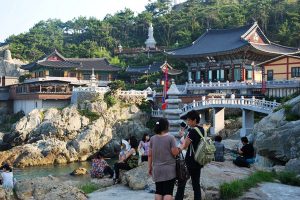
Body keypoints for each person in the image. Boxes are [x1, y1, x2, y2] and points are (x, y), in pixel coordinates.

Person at [148, 118, 180, 200]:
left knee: (158, 191)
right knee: (168, 192)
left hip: (157, 169)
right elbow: (175, 153)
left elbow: (150, 155)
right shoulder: (171, 138)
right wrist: (179, 149)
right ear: (166, 126)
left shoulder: (152, 139)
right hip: (169, 170)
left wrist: (149, 167)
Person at [176, 110, 204, 200]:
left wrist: (182, 136)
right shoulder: (202, 130)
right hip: (199, 160)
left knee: (181, 183)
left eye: (188, 120)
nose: (187, 122)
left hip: (190, 161)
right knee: (196, 184)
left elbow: (185, 146)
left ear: (194, 120)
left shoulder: (192, 132)